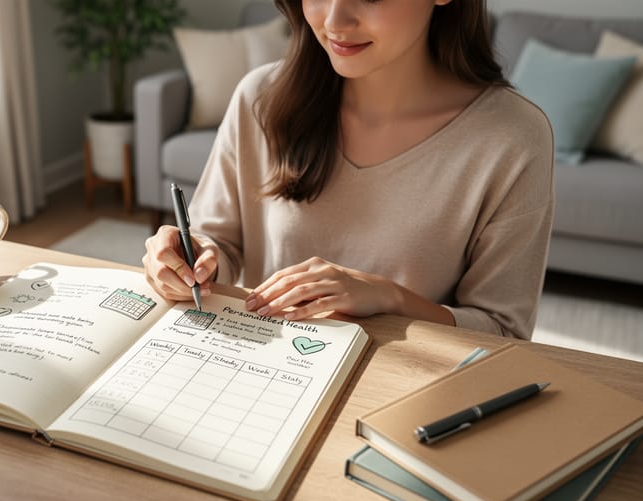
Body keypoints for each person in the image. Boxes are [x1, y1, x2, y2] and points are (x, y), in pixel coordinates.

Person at [142, 0, 554, 340]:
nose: (335, 20)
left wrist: (391, 297)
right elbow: (220, 244)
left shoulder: (513, 138)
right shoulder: (260, 98)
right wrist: (190, 259)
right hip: (267, 371)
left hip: (406, 397)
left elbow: (504, 334)